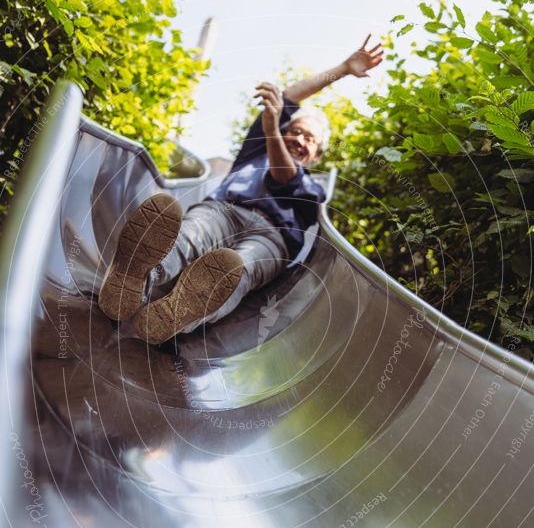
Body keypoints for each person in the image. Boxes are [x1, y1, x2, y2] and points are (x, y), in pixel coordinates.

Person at [98, 35, 384, 344]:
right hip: (224, 209)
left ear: (316, 156)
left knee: (240, 270)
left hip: (271, 238)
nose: (299, 140)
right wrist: (343, 68)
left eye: (309, 139)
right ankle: (135, 278)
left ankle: (174, 314)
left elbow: (282, 176)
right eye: (295, 132)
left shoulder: (313, 191)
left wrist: (275, 129)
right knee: (191, 235)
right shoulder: (256, 148)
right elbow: (288, 98)